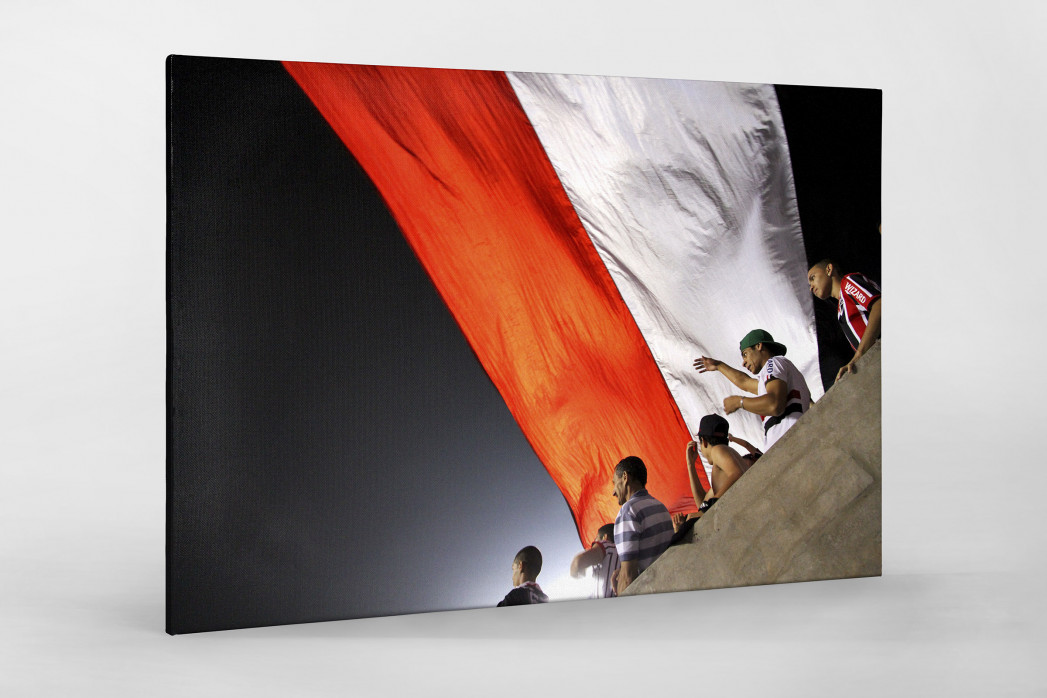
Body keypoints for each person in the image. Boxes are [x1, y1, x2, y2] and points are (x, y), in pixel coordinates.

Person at [693, 329, 812, 452]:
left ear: (759, 346)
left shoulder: (773, 363)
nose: (743, 363)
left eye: (745, 354)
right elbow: (745, 382)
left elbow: (774, 404)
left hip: (790, 444)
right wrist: (719, 365)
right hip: (791, 444)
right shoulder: (780, 375)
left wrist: (740, 402)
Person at [807, 259, 882, 382]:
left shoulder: (848, 283)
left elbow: (879, 305)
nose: (811, 287)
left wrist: (859, 355)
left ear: (829, 270)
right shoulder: (841, 309)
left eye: (812, 278)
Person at [610, 456, 674, 594]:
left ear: (625, 477)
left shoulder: (627, 512)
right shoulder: (660, 506)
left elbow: (628, 578)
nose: (613, 491)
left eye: (614, 483)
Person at [687, 414, 746, 515]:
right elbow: (702, 504)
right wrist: (691, 465)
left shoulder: (717, 450)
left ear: (704, 442)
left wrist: (713, 503)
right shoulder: (723, 473)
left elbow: (738, 474)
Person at [569, 523, 620, 599]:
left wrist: (574, 572)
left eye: (596, 539)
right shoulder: (624, 552)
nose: (595, 542)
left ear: (605, 537)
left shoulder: (606, 545)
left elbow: (578, 562)